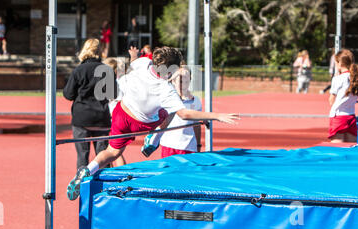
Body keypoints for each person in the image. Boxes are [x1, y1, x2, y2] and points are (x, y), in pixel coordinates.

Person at [67, 46, 240, 201]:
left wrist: (134, 56)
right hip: (141, 123)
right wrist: (215, 115)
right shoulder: (166, 89)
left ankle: (87, 170)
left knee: (112, 151)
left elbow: (134, 63)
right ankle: (154, 138)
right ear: (170, 71)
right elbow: (185, 114)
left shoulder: (143, 63)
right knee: (171, 108)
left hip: (121, 112)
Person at [63, 38, 116, 171]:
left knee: (82, 156)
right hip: (101, 118)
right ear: (100, 51)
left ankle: (80, 187)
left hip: (82, 118)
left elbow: (68, 94)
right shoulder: (107, 70)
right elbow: (113, 95)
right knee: (103, 156)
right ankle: (104, 186)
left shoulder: (79, 70)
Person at [158, 65, 202, 158]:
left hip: (189, 147)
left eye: (186, 81)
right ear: (173, 81)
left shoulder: (196, 101)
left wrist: (198, 144)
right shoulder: (167, 99)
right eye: (180, 81)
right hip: (169, 146)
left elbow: (196, 125)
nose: (183, 84)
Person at [328, 49, 358, 143]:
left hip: (338, 117)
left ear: (339, 63)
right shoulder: (356, 78)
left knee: (337, 151)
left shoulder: (337, 79)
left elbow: (331, 101)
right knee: (351, 149)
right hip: (351, 117)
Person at [102, 57, 127, 167]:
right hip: (115, 117)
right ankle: (118, 171)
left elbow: (119, 101)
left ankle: (121, 172)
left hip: (112, 118)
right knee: (113, 150)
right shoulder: (117, 82)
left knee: (114, 151)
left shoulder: (113, 83)